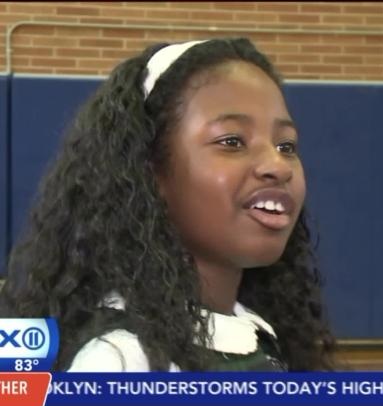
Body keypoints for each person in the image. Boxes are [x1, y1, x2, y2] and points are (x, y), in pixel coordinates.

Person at [0, 38, 336, 371]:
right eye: (232, 141)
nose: (277, 165)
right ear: (150, 172)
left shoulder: (257, 332)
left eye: (287, 146)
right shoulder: (119, 360)